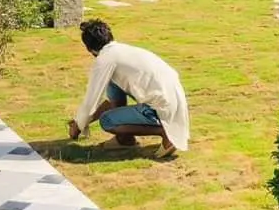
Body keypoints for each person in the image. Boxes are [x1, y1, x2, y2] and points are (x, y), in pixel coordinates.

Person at [68, 19, 190, 157]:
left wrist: (78, 126)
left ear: (90, 49)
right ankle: (124, 140)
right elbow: (109, 101)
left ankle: (166, 133)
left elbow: (91, 100)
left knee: (107, 120)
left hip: (161, 106)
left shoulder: (105, 60)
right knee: (112, 84)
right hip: (172, 100)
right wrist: (81, 121)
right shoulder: (122, 51)